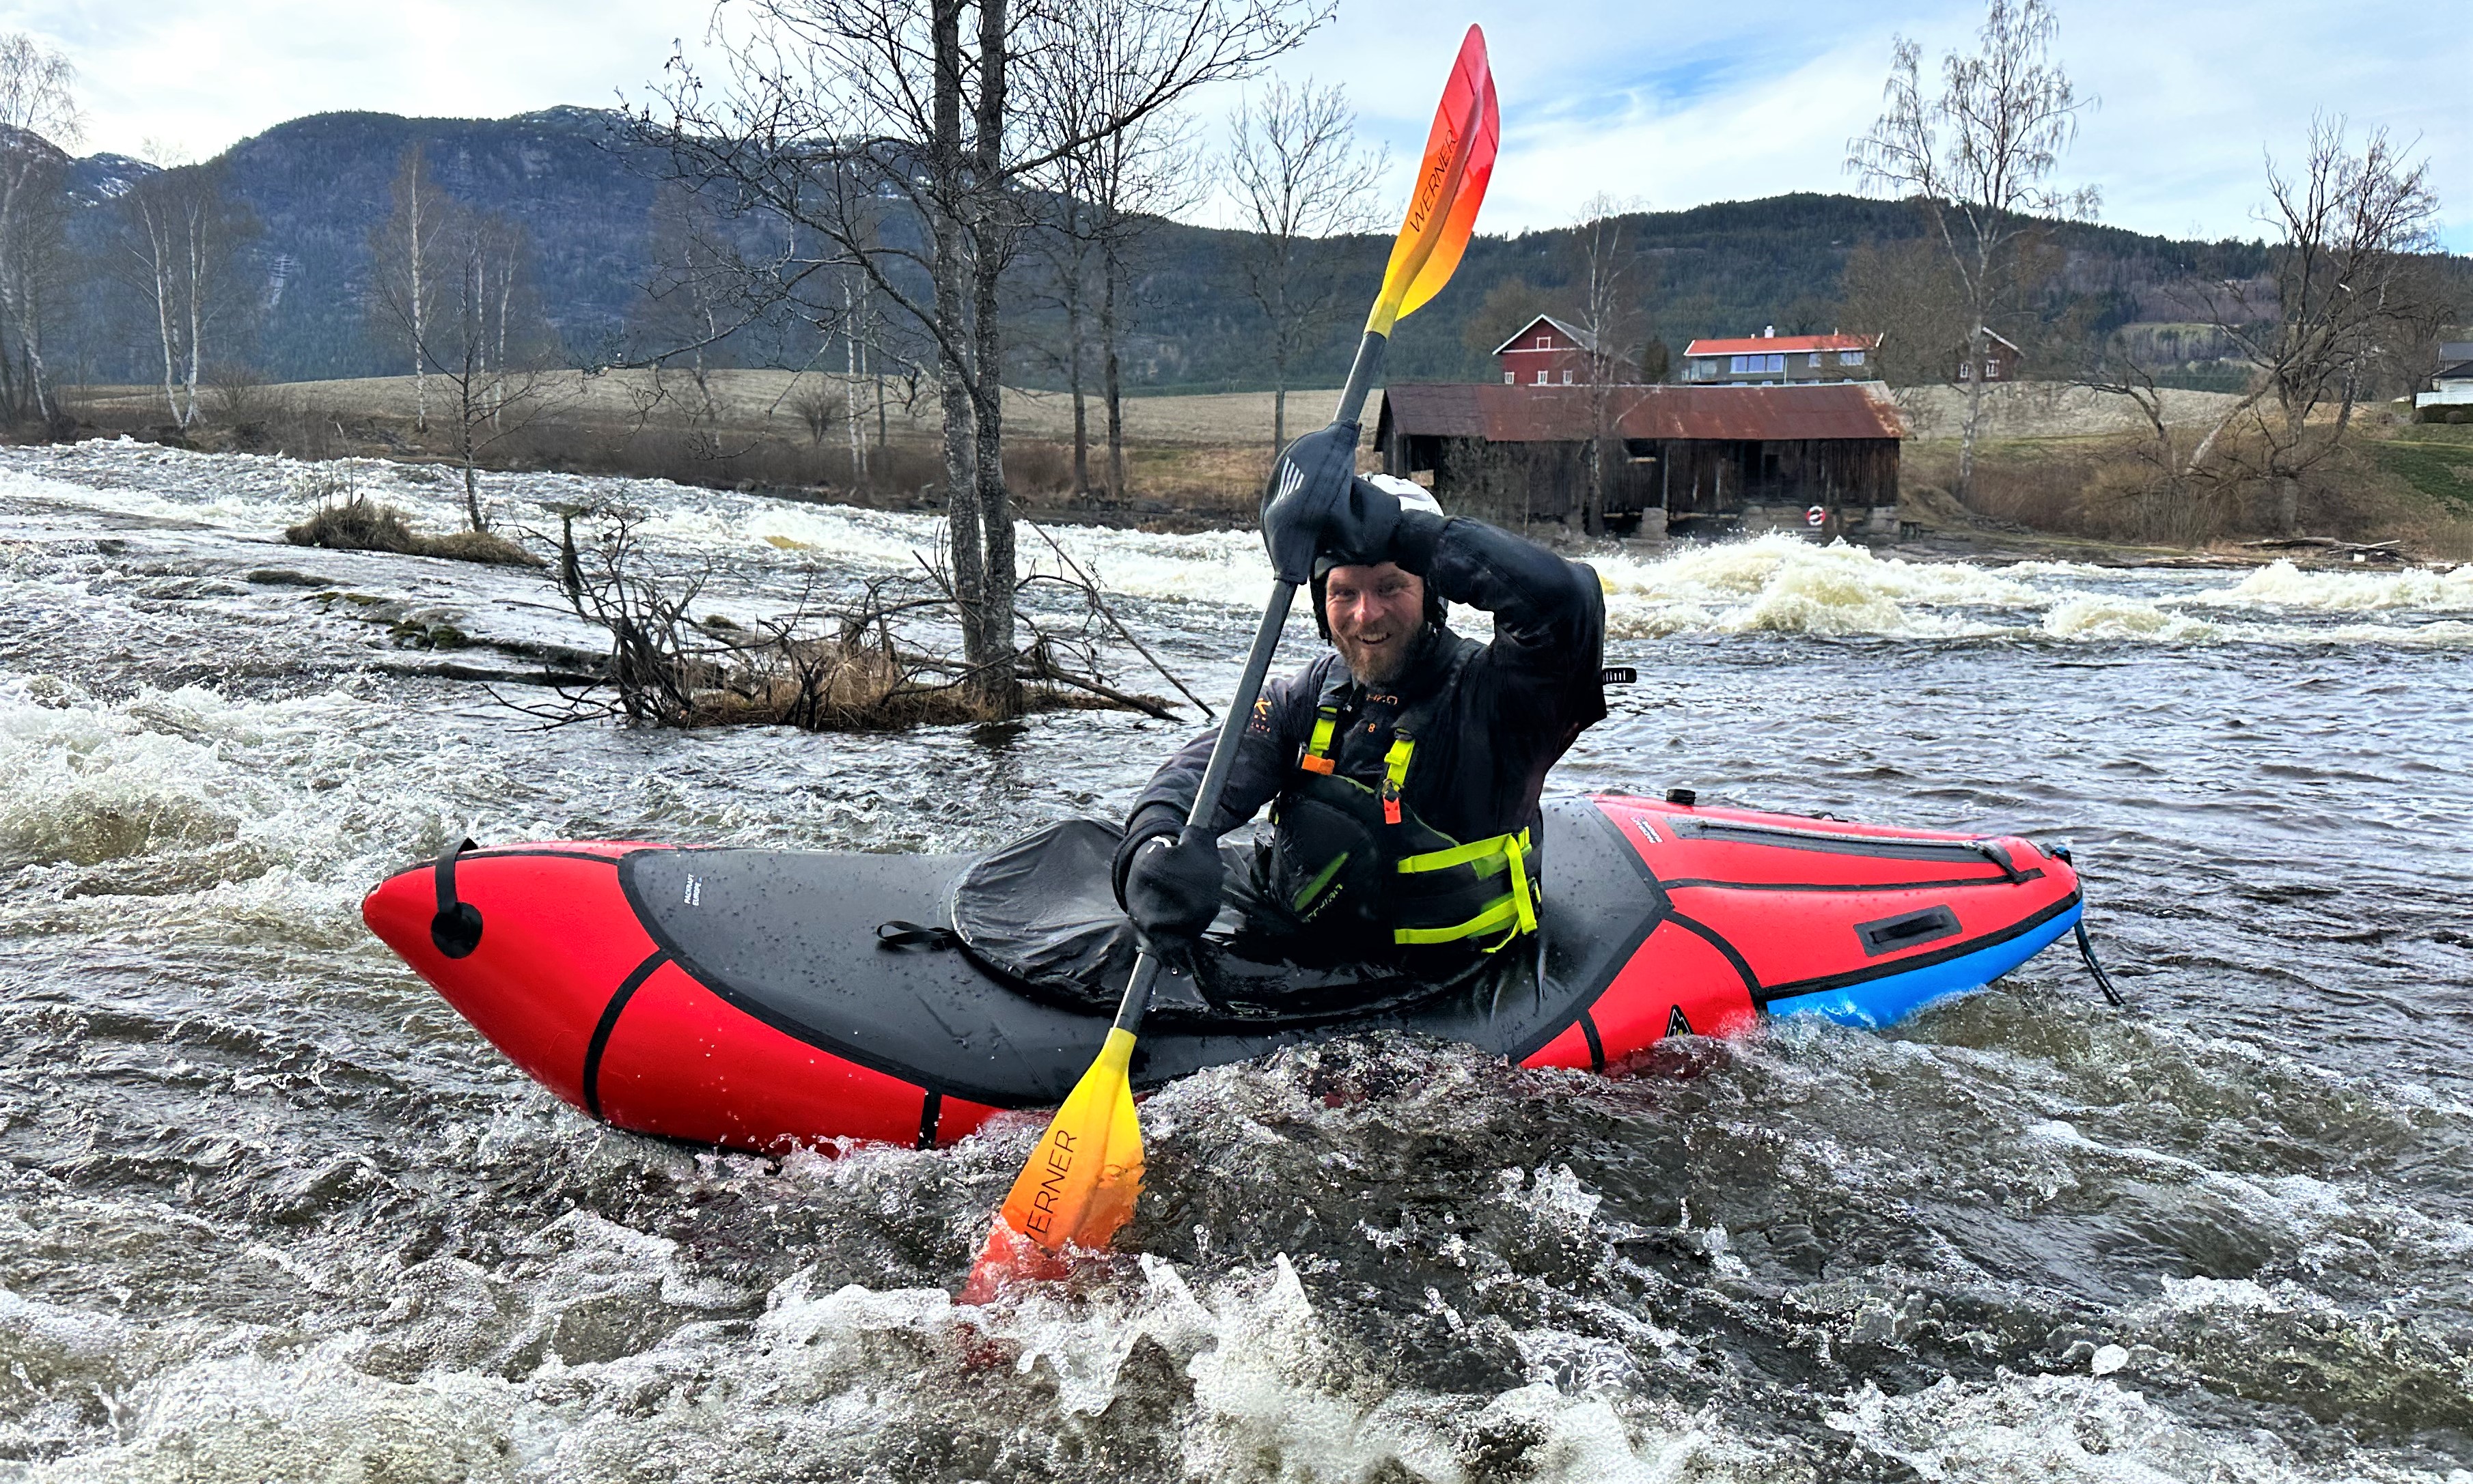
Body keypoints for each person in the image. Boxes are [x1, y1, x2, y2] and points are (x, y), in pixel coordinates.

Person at [1112, 421, 1607, 977]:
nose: (1365, 615)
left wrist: (1413, 536)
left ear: (1434, 595)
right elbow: (1202, 772)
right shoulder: (1309, 696)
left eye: (1391, 586)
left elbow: (1567, 603)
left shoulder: (1498, 699)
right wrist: (1154, 843)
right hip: (1308, 954)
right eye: (1343, 592)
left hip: (1447, 983)